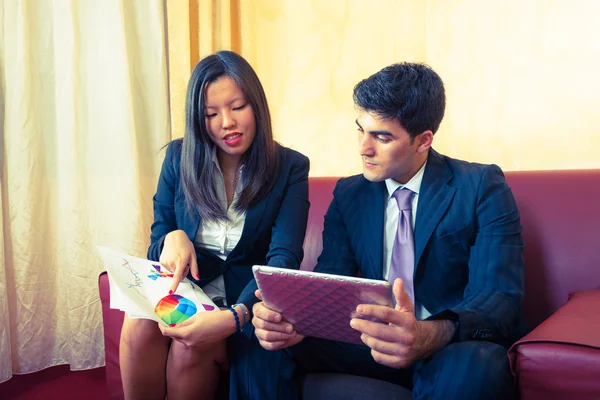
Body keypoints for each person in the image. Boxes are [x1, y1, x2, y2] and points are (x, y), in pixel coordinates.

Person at [244, 62, 528, 399]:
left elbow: (499, 299)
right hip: (369, 341)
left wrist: (425, 334)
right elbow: (332, 280)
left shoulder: (480, 186)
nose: (364, 148)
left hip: (444, 343)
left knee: (479, 364)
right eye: (361, 130)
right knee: (259, 341)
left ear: (423, 141)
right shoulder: (349, 194)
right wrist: (291, 320)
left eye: (382, 136)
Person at [118, 50, 310, 400]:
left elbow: (283, 260)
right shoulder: (179, 158)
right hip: (190, 291)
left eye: (237, 107)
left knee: (191, 345)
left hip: (243, 306)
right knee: (139, 322)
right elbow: (158, 239)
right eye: (211, 113)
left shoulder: (290, 168)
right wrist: (171, 239)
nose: (227, 122)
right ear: (198, 118)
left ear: (257, 106)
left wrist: (235, 316)